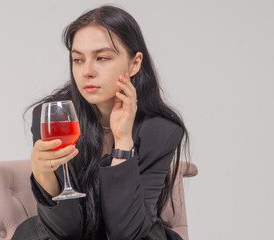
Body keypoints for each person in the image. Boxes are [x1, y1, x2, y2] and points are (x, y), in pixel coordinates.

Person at [13, 5, 190, 240]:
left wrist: (123, 142)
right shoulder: (54, 117)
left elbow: (127, 233)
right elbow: (65, 232)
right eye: (78, 60)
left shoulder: (161, 131)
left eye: (102, 58)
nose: (87, 71)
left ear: (135, 63)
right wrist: (44, 177)